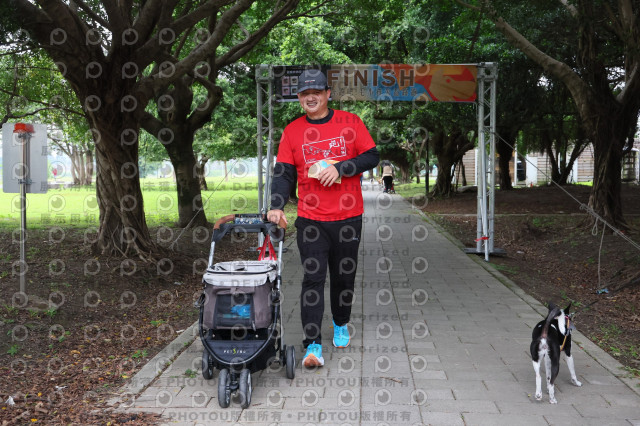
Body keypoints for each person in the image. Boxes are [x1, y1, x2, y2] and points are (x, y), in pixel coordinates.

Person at [267, 69, 379, 368]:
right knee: (313, 279)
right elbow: (283, 173)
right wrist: (276, 205)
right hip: (311, 219)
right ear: (299, 98)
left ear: (328, 94)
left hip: (348, 217)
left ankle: (341, 323)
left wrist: (341, 168)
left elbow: (371, 156)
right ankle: (312, 345)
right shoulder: (292, 131)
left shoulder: (350, 122)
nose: (310, 97)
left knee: (343, 277)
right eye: (305, 93)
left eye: (316, 92)